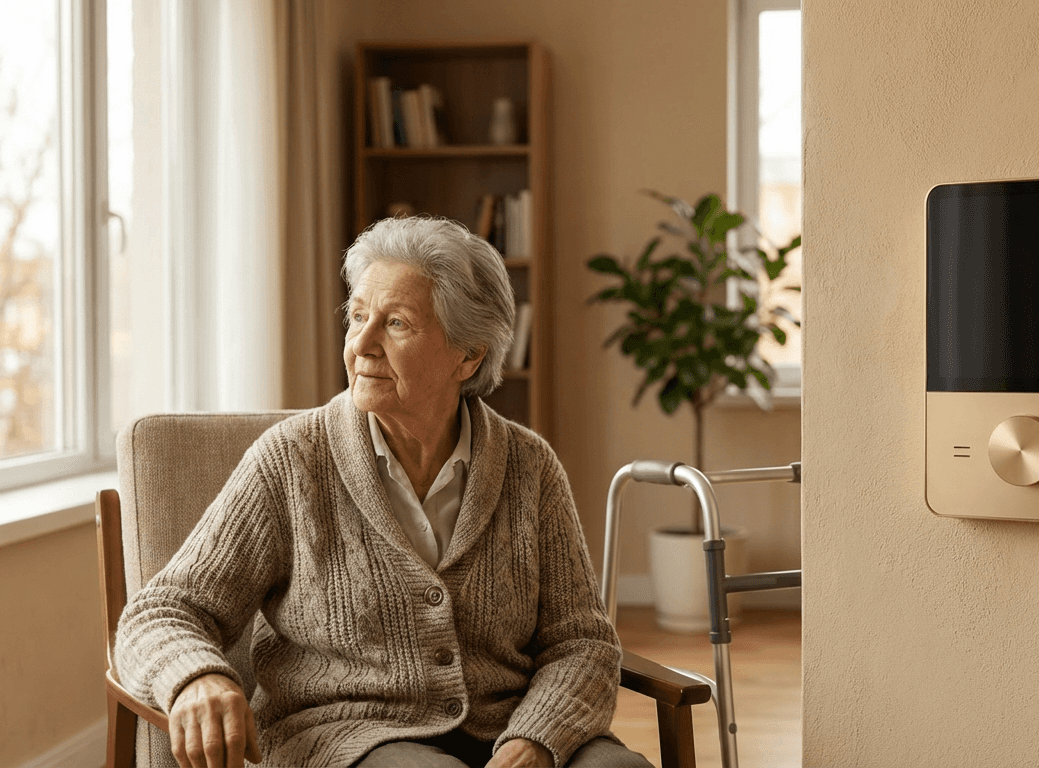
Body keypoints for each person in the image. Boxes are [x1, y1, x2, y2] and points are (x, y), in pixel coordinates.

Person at [115, 217, 653, 768]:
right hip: (347, 738)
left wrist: (535, 739)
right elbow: (162, 611)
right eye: (357, 316)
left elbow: (581, 642)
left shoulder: (529, 467)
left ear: (467, 356)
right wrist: (196, 677)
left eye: (396, 323)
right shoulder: (293, 461)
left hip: (508, 730)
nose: (362, 345)